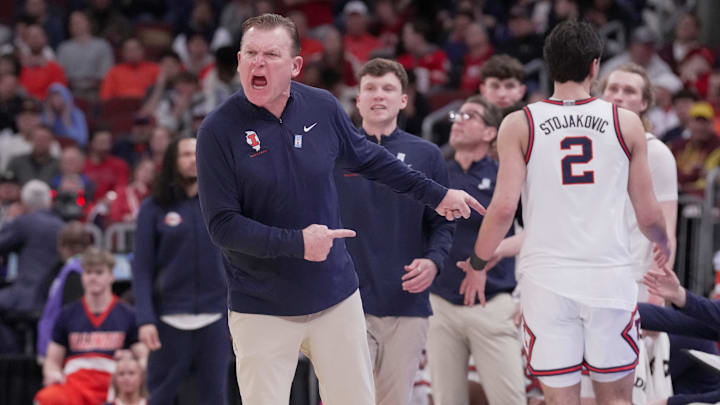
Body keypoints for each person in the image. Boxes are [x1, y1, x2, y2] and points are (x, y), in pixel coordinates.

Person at [196, 13, 483, 405]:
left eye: (271, 55)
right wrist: (298, 243)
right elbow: (222, 226)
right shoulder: (217, 131)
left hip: (336, 296)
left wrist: (437, 194)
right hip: (261, 305)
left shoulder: (321, 107)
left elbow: (373, 160)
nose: (258, 64)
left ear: (295, 65)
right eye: (250, 54)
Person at [464, 20, 670, 405]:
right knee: (617, 399)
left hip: (546, 280)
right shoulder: (625, 123)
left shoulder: (519, 123)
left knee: (560, 400)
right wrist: (664, 245)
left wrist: (478, 261)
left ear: (548, 64)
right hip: (607, 277)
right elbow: (649, 214)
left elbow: (504, 207)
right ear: (595, 66)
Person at [334, 58, 454, 405]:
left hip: (406, 304)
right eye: (369, 88)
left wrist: (433, 262)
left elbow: (443, 222)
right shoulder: (334, 153)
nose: (378, 96)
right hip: (343, 303)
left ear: (404, 100)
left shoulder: (428, 155)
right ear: (357, 99)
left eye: (388, 88)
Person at [428, 95, 526, 405]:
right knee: (446, 400)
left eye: (470, 116)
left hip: (492, 302)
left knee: (510, 400)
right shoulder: (436, 175)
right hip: (441, 303)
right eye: (457, 114)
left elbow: (536, 233)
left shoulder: (505, 175)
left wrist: (495, 254)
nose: (458, 120)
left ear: (490, 133)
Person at [133, 136, 229, 405]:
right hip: (168, 319)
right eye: (185, 154)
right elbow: (141, 269)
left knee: (215, 398)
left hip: (215, 318)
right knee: (160, 396)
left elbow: (239, 262)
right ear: (173, 161)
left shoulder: (222, 204)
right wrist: (145, 319)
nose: (192, 159)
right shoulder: (152, 208)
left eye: (197, 153)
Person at [599, 63, 678, 301]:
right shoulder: (586, 149)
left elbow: (667, 229)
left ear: (644, 103)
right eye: (613, 89)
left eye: (629, 91)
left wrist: (657, 295)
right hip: (591, 276)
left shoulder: (656, 152)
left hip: (636, 279)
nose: (619, 97)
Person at [34, 247, 147, 405]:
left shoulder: (128, 314)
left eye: (99, 272)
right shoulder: (67, 314)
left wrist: (132, 364)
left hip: (113, 383)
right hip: (75, 382)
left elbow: (144, 357)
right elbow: (52, 360)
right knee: (46, 398)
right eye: (88, 272)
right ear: (82, 277)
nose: (93, 278)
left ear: (111, 276)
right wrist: (52, 373)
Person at [36, 221, 94, 358]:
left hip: (59, 348)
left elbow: (72, 312)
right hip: (57, 344)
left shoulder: (74, 272)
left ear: (62, 246)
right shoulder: (74, 269)